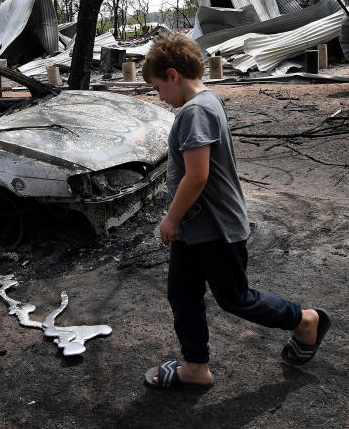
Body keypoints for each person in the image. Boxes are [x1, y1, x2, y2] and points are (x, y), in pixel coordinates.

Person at [142, 34, 331, 390]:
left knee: (235, 298)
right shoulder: (207, 101)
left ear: (172, 75)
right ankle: (196, 367)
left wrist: (171, 218)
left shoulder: (196, 111)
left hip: (215, 229)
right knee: (182, 294)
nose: (160, 98)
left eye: (157, 88)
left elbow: (197, 176)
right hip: (194, 229)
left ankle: (305, 320)